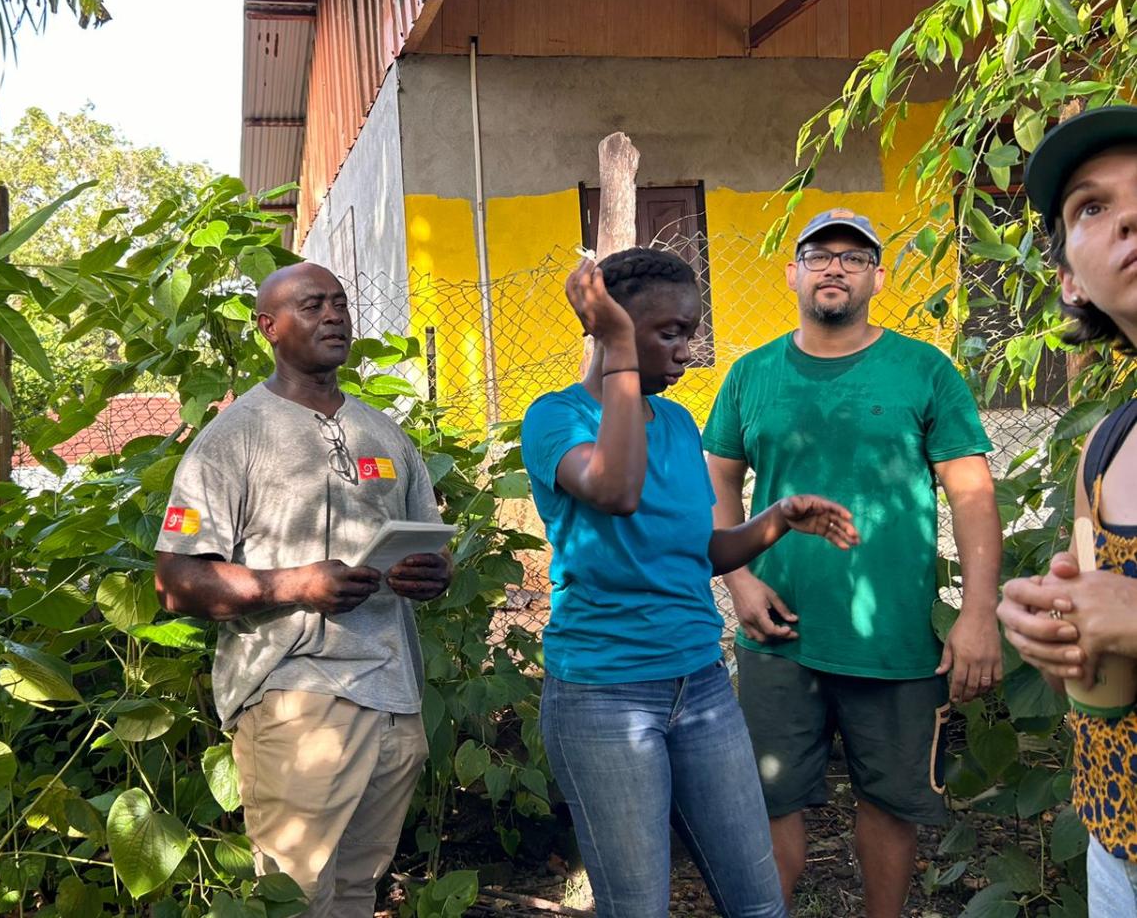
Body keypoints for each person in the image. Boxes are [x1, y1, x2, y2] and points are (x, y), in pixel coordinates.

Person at [521, 247, 861, 918]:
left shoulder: (675, 422)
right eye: (668, 332)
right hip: (603, 695)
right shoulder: (555, 418)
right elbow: (614, 489)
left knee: (759, 901)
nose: (686, 350)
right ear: (610, 327)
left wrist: (776, 521)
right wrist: (618, 345)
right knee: (639, 907)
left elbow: (695, 551)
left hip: (701, 684)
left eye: (690, 330)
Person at [703, 208, 1003, 918]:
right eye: (818, 254)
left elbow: (971, 494)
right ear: (792, 274)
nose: (834, 266)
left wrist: (978, 614)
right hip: (778, 630)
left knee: (892, 804)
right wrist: (739, 581)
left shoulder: (923, 370)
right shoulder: (751, 375)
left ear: (877, 277)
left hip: (895, 638)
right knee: (769, 802)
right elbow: (714, 480)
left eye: (853, 256)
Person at [153, 262, 453, 917]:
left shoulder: (385, 434)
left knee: (354, 891)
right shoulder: (231, 440)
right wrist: (298, 584)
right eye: (312, 305)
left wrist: (430, 571)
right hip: (295, 697)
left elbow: (435, 545)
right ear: (269, 326)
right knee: (297, 898)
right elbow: (175, 581)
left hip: (394, 697)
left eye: (340, 303)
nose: (334, 315)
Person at [996, 104, 1137, 915]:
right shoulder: (1105, 451)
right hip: (1117, 849)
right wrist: (1050, 622)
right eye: (1092, 205)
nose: (1128, 215)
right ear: (1070, 282)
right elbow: (1094, 619)